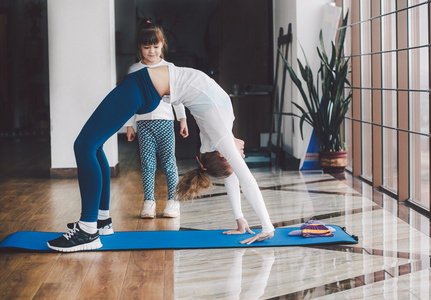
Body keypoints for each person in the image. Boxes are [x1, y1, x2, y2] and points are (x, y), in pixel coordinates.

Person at [47, 64, 274, 252]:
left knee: (85, 145)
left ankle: (88, 230)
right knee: (93, 146)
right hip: (146, 88)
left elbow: (245, 180)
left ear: (224, 155)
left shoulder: (221, 136)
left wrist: (267, 226)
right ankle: (101, 221)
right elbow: (232, 176)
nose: (240, 158)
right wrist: (240, 218)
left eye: (235, 160)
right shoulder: (213, 140)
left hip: (142, 87)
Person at [125, 20, 188, 219]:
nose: (151, 51)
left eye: (155, 46)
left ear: (162, 45)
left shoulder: (169, 67)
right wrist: (129, 125)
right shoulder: (134, 70)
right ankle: (149, 202)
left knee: (169, 163)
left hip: (166, 123)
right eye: (146, 47)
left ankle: (173, 202)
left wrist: (183, 119)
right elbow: (130, 101)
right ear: (140, 48)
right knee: (148, 165)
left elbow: (177, 96)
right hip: (143, 125)